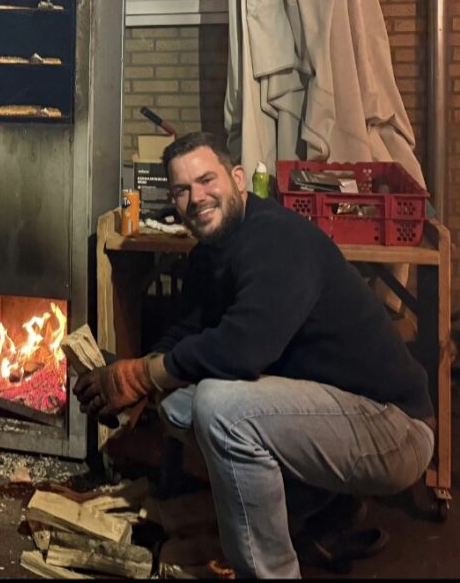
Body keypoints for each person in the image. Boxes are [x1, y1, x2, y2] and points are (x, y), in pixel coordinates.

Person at [74, 131, 435, 579]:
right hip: (336, 413)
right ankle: (318, 509)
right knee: (180, 404)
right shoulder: (211, 253)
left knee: (222, 409)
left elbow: (244, 348)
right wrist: (134, 383)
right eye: (182, 190)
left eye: (207, 180)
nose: (196, 198)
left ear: (238, 179)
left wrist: (143, 375)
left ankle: (271, 570)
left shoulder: (277, 240)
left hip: (393, 427)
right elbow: (189, 330)